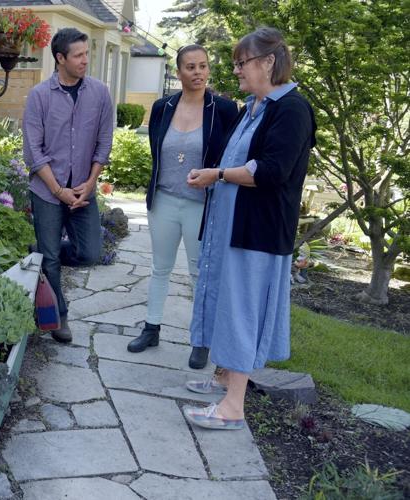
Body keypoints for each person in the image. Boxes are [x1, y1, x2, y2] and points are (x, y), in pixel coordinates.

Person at [182, 27, 316, 430]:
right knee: (225, 300)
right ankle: (224, 376)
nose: (236, 70)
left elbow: (272, 171)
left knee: (240, 309)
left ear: (268, 62)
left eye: (242, 63)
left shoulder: (291, 109)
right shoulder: (254, 107)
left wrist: (217, 174)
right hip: (231, 227)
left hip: (256, 232)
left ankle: (232, 407)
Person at [126, 45, 238, 371]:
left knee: (197, 273)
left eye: (203, 66)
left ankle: (201, 339)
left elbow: (232, 156)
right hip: (163, 200)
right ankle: (151, 328)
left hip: (201, 206)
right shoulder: (162, 107)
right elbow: (156, 150)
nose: (198, 72)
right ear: (179, 73)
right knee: (160, 268)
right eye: (190, 67)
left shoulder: (225, 109)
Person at [22, 27, 113, 343]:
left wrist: (89, 184)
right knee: (51, 262)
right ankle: (60, 315)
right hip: (48, 191)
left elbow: (103, 143)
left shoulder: (100, 93)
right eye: (78, 55)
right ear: (60, 58)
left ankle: (42, 253)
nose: (85, 60)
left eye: (87, 54)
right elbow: (34, 151)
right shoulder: (40, 96)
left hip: (83, 191)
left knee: (89, 253)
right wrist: (59, 190)